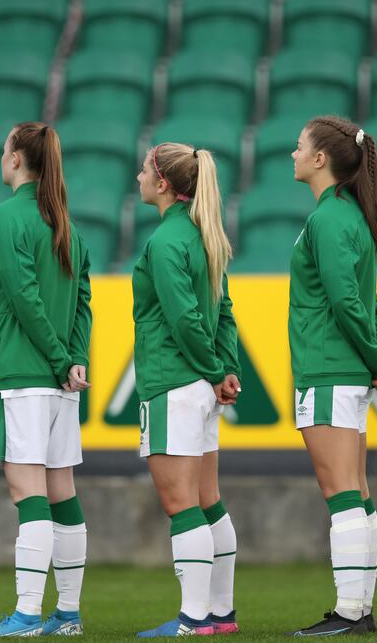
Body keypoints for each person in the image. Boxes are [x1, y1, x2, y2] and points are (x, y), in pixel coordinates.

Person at [0, 122, 92, 638]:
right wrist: (73, 359)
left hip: (22, 372)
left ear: (17, 158)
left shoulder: (5, 215)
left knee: (28, 492)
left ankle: (25, 615)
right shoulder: (67, 223)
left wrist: (60, 359)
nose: (1, 156)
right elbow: (83, 301)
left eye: (3, 148)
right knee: (62, 490)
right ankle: (68, 615)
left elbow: (22, 298)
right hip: (61, 383)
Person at [288, 116, 377, 637]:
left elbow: (346, 302)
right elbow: (365, 301)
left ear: (320, 160)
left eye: (298, 147)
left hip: (329, 370)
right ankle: (358, 609)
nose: (292, 154)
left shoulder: (330, 219)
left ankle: (350, 613)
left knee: (342, 495)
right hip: (344, 371)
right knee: (355, 491)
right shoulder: (347, 215)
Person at [132, 142, 241, 637]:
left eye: (145, 169)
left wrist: (215, 370)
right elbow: (224, 313)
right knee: (208, 499)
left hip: (172, 383)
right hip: (198, 386)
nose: (138, 175)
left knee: (182, 506)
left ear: (163, 183)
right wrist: (224, 368)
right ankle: (219, 615)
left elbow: (183, 319)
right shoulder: (206, 236)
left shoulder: (165, 242)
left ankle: (193, 620)